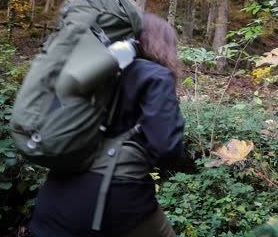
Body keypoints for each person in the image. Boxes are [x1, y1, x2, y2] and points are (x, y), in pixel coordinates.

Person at [29, 12, 185, 237]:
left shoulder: (91, 73)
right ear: (165, 46)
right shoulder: (155, 76)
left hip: (54, 197)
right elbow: (166, 148)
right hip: (114, 200)